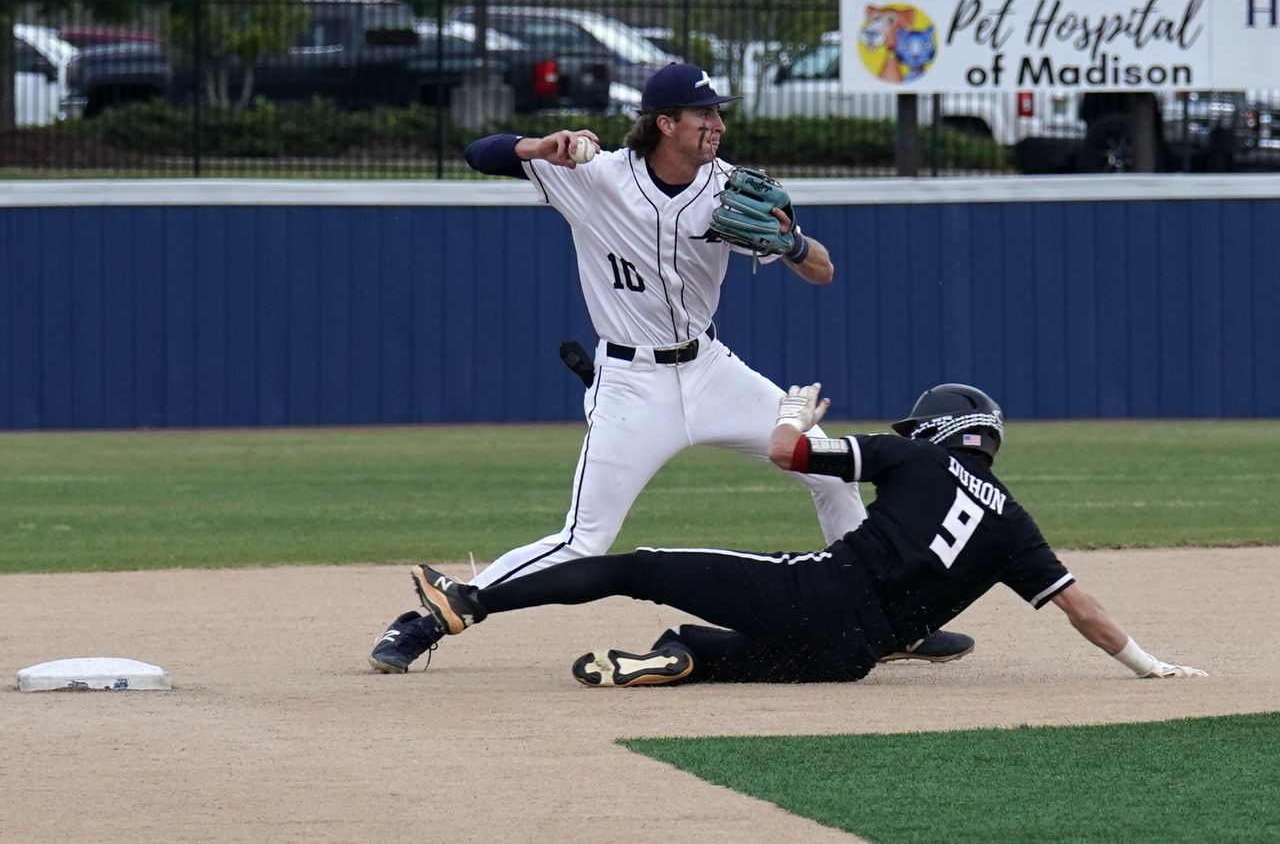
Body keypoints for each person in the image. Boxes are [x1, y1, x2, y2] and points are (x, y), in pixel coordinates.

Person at [368, 62, 971, 673]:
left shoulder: (732, 186)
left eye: (717, 112)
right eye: (703, 114)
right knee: (585, 540)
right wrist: (536, 146)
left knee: (826, 467)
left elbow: (823, 269)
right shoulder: (594, 176)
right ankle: (426, 623)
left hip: (711, 371)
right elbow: (479, 153)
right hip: (632, 384)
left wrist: (790, 244)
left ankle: (891, 619)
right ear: (665, 123)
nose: (718, 124)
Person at [373, 382, 1208, 686]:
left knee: (638, 564)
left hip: (810, 593)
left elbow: (786, 453)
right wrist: (1148, 664)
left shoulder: (912, 461)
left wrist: (790, 412)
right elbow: (1082, 609)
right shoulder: (1015, 526)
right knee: (728, 648)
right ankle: (687, 656)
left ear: (940, 431)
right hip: (850, 661)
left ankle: (469, 603)